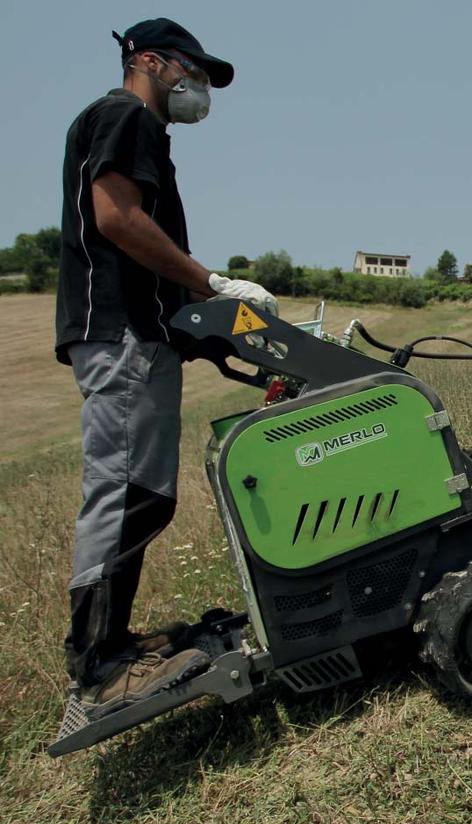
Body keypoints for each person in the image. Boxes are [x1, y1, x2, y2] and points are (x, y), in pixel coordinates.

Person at [56, 18, 277, 718]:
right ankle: (98, 664)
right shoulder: (126, 115)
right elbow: (117, 220)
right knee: (125, 495)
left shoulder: (138, 129)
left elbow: (148, 260)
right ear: (149, 60)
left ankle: (115, 643)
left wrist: (230, 332)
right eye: (193, 70)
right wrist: (211, 284)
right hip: (119, 337)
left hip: (142, 334)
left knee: (147, 496)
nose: (199, 86)